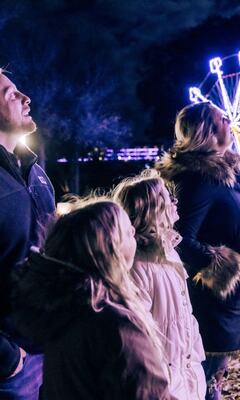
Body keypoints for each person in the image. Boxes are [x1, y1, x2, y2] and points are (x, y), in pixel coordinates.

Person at [156, 102, 240, 400]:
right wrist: (220, 265)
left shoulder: (228, 173)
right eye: (223, 118)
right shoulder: (198, 179)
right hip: (219, 294)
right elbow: (178, 237)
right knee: (213, 370)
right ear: (207, 131)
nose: (230, 121)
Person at [11, 198, 172, 400]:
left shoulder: (62, 309)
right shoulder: (116, 326)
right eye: (128, 232)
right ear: (111, 250)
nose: (134, 233)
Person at [112, 170, 207, 400]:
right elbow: (136, 339)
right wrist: (161, 382)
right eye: (168, 198)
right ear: (151, 211)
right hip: (164, 383)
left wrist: (195, 361)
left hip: (185, 376)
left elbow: (186, 316)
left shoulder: (169, 254)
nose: (175, 203)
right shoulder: (137, 269)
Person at [0, 69, 55, 399]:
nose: (25, 98)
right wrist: (6, 358)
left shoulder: (35, 173)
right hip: (13, 368)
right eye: (9, 94)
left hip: (50, 345)